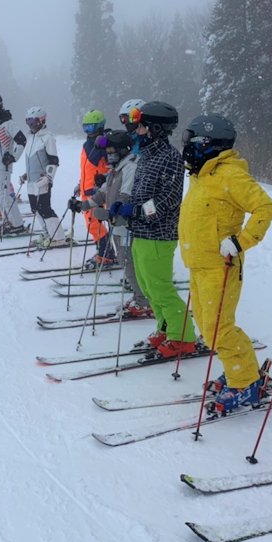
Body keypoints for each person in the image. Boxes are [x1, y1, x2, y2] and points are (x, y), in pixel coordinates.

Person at [179, 114, 272, 412]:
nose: (186, 147)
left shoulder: (230, 175)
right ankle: (240, 368)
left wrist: (240, 241)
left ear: (208, 143)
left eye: (191, 141)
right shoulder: (200, 175)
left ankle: (245, 383)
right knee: (207, 327)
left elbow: (265, 207)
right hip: (198, 263)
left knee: (218, 329)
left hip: (220, 266)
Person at [111, 101, 196, 358]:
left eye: (142, 126)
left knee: (161, 288)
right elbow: (142, 191)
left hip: (159, 234)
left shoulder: (169, 157)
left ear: (156, 129)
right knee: (148, 288)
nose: (137, 131)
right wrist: (125, 204)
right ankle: (165, 327)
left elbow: (168, 200)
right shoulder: (147, 155)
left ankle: (183, 337)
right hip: (140, 232)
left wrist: (136, 211)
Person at [87, 130, 151, 317]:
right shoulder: (116, 169)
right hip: (117, 224)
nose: (108, 154)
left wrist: (109, 213)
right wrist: (83, 205)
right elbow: (102, 193)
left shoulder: (130, 167)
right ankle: (140, 296)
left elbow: (125, 196)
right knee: (125, 261)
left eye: (111, 150)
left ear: (123, 149)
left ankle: (144, 302)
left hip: (127, 224)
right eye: (107, 151)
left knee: (129, 262)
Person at [20, 106, 67, 248]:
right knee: (35, 209)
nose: (31, 125)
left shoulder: (47, 138)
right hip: (31, 181)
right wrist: (26, 174)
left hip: (42, 181)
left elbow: (54, 161)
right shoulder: (30, 137)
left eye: (33, 121)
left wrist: (48, 177)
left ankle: (58, 237)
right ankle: (47, 233)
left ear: (42, 121)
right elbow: (32, 159)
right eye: (28, 121)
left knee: (45, 209)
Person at [73, 109, 114, 268]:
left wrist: (103, 181)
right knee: (92, 224)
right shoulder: (87, 145)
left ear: (100, 127)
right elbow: (87, 169)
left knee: (95, 224)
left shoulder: (103, 144)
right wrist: (80, 184)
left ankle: (106, 255)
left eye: (91, 127)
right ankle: (105, 252)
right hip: (86, 190)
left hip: (96, 192)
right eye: (86, 127)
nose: (88, 131)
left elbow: (111, 166)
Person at [0, 91, 27, 235]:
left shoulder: (8, 123)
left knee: (3, 195)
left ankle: (17, 224)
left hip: (2, 165)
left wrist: (12, 156)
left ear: (0, 106)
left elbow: (22, 140)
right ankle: (7, 220)